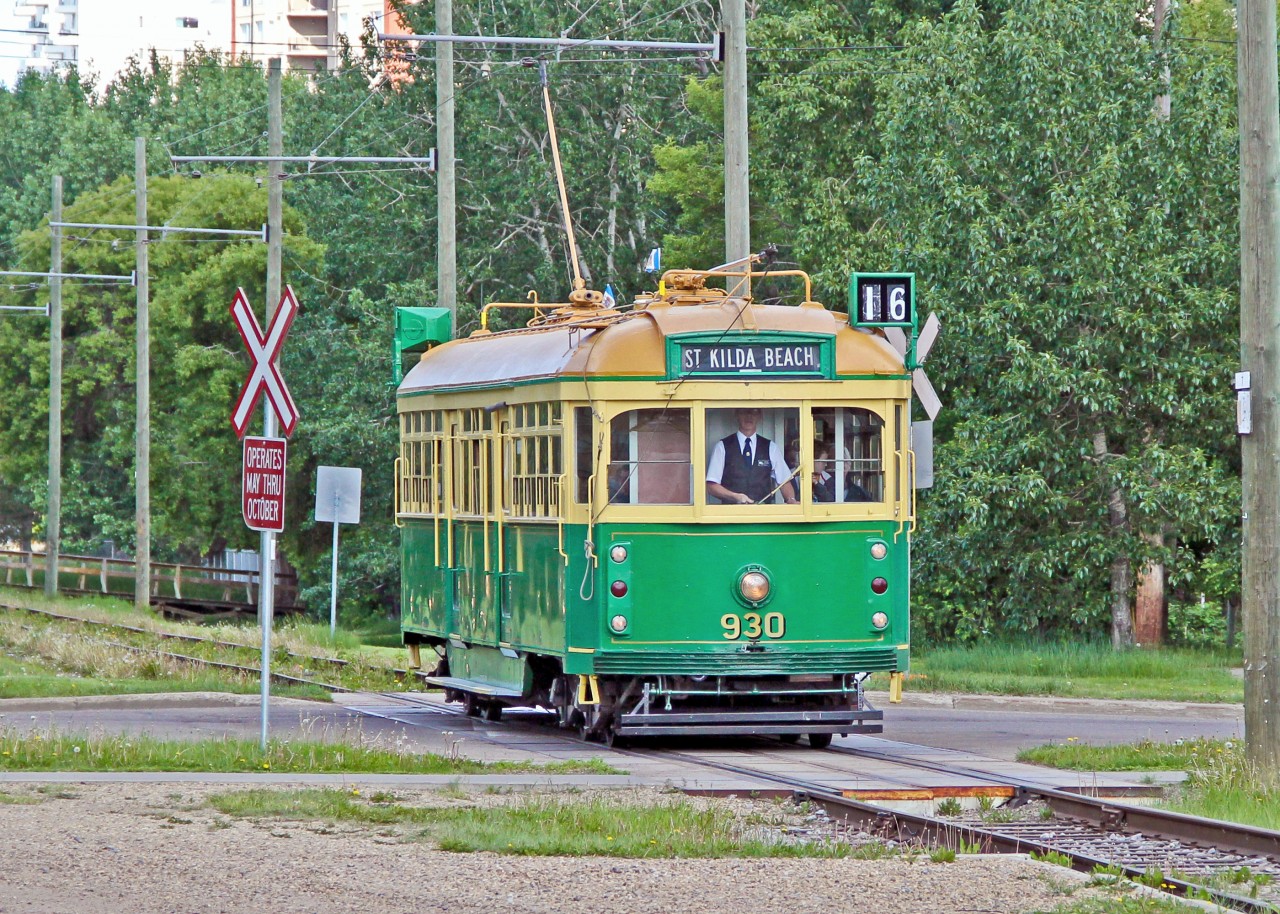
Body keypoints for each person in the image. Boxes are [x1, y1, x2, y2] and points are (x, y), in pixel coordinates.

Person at [706, 408, 798, 505]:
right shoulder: (722, 446)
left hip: (763, 514)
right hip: (731, 515)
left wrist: (790, 499)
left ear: (760, 416)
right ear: (737, 415)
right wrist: (734, 496)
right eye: (744, 412)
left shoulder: (771, 447)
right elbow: (712, 486)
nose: (749, 416)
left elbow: (784, 482)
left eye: (754, 412)